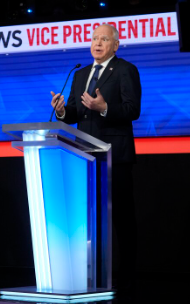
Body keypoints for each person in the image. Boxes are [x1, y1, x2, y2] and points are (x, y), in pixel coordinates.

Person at [50, 24, 141, 290]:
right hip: (86, 156)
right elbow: (76, 113)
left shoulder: (125, 70)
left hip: (116, 156)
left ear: (115, 45)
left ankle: (127, 278)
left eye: (104, 39)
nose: (97, 43)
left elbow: (132, 109)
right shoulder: (80, 75)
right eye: (94, 38)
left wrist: (105, 108)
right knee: (90, 218)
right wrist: (63, 111)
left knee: (122, 218)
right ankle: (93, 275)